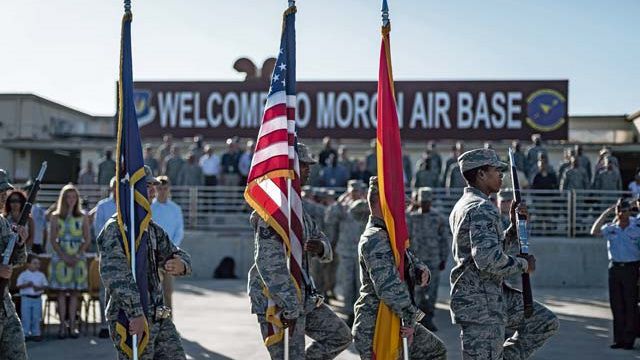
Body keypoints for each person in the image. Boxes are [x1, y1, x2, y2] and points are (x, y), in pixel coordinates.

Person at [449, 148, 558, 359]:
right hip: (481, 304)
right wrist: (524, 264)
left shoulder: (465, 205)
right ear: (481, 174)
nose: (501, 175)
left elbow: (489, 250)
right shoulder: (481, 208)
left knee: (543, 321)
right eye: (496, 170)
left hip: (490, 297)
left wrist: (514, 229)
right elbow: (487, 260)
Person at [247, 143, 352, 359]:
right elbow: (269, 265)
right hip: (277, 302)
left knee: (339, 335)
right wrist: (290, 307)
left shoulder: (297, 209)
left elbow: (320, 238)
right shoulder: (273, 213)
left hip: (302, 296)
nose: (309, 170)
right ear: (289, 169)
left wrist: (320, 247)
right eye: (303, 166)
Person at [98, 166, 192, 359]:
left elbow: (177, 253)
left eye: (153, 186)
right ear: (131, 189)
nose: (152, 191)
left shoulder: (151, 229)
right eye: (146, 186)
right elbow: (116, 277)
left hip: (159, 316)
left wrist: (181, 264)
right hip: (130, 317)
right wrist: (136, 313)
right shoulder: (116, 230)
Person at [352, 176, 446, 359]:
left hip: (396, 316)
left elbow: (406, 258)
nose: (404, 206)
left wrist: (419, 270)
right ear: (383, 202)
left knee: (435, 350)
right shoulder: (375, 238)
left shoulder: (390, 234)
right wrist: (412, 318)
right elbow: (389, 288)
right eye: (398, 200)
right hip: (377, 323)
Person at [591, 199, 640, 350]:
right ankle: (618, 339)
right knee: (617, 304)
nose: (621, 214)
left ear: (629, 211)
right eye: (619, 210)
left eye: (624, 210)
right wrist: (606, 213)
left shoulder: (637, 226)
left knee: (630, 304)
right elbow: (594, 231)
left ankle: (629, 340)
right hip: (615, 268)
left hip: (632, 268)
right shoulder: (611, 227)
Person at [49, 183, 91, 338]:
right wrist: (64, 256)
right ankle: (61, 326)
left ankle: (73, 326)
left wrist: (77, 255)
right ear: (63, 198)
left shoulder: (83, 216)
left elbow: (87, 239)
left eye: (74, 196)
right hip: (60, 258)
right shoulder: (55, 216)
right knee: (61, 292)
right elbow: (53, 239)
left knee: (74, 293)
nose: (71, 200)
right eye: (68, 197)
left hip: (78, 257)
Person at [406, 187, 450, 332]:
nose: (425, 204)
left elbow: (444, 240)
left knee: (431, 293)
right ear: (418, 201)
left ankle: (429, 318)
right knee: (417, 293)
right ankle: (418, 322)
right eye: (422, 201)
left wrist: (444, 258)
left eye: (427, 201)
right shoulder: (412, 217)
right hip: (416, 262)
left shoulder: (438, 218)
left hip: (433, 260)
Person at [325, 180, 368, 326]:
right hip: (345, 251)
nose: (355, 193)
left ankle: (361, 313)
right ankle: (350, 312)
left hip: (362, 252)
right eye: (352, 190)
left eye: (357, 190)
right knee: (347, 283)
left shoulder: (365, 206)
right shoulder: (342, 207)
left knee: (361, 283)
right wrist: (339, 202)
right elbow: (329, 218)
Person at [89, 176, 117, 339]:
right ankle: (104, 324)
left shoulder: (127, 204)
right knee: (103, 292)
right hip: (106, 253)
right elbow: (98, 228)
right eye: (113, 187)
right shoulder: (103, 206)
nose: (115, 190)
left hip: (123, 254)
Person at [0, 202, 29, 360]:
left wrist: (19, 243)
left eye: (5, 191)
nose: (3, 195)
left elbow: (16, 261)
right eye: (0, 191)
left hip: (6, 308)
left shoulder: (3, 223)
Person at [151, 176, 185, 309]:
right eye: (159, 188)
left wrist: (172, 248)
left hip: (170, 255)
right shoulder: (150, 207)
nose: (162, 191)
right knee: (154, 292)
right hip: (153, 254)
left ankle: (168, 325)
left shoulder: (175, 208)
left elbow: (179, 230)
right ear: (155, 189)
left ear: (169, 189)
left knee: (168, 291)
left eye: (165, 188)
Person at [16, 256, 48, 341]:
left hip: (37, 298)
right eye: (35, 263)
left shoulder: (41, 275)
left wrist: (39, 288)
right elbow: (18, 285)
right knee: (25, 316)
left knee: (36, 317)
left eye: (38, 264)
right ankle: (25, 333)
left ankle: (36, 333)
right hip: (26, 298)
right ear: (28, 264)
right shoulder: (23, 274)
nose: (37, 265)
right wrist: (26, 285)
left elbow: (45, 285)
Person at [22, 180, 47, 254]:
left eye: (34, 191)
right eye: (29, 191)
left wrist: (44, 246)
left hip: (37, 246)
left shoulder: (40, 210)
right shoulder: (20, 208)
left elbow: (45, 230)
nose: (32, 194)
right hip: (24, 246)